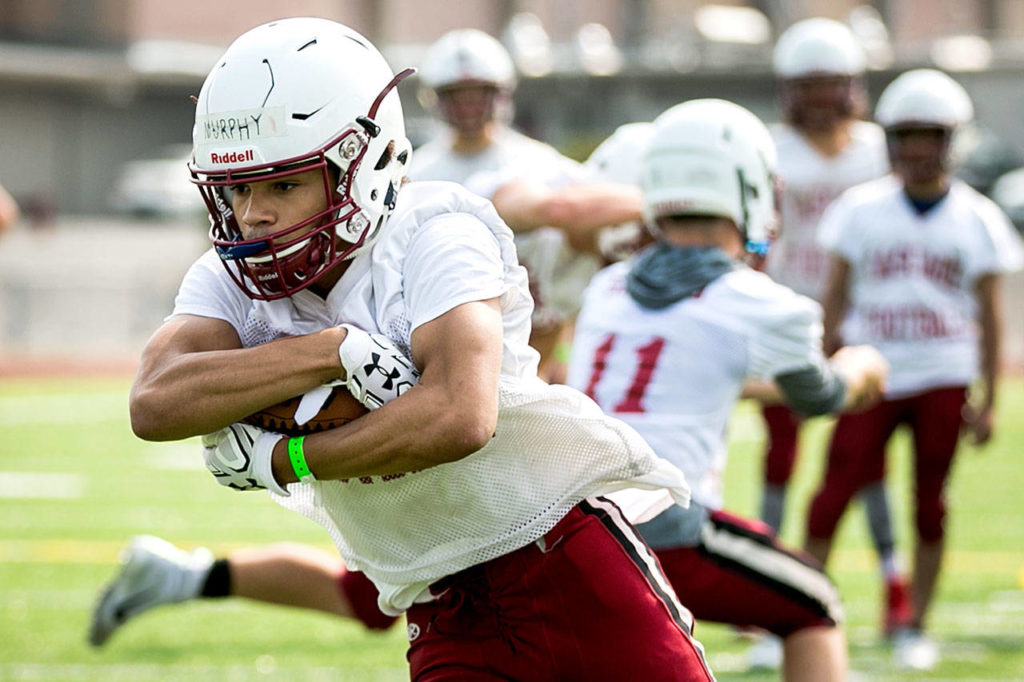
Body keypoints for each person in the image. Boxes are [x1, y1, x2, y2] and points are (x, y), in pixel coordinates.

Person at [114, 17, 713, 679]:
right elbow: (155, 402)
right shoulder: (232, 277)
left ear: (361, 167)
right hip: (439, 603)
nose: (253, 214)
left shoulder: (434, 233)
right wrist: (329, 351)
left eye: (283, 185)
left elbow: (459, 416)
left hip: (566, 565)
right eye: (238, 188)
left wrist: (285, 460)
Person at [565, 98, 890, 682]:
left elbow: (676, 371)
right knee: (814, 603)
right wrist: (862, 367)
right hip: (662, 523)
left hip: (569, 523)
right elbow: (818, 396)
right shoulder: (761, 302)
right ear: (749, 188)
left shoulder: (609, 288)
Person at [803, 68, 1024, 671]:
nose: (919, 149)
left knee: (931, 505)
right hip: (871, 372)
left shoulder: (976, 217)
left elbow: (991, 313)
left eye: (931, 134)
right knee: (831, 497)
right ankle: (794, 617)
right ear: (890, 141)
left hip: (944, 373)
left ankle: (914, 623)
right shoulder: (860, 209)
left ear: (954, 140)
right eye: (907, 135)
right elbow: (836, 297)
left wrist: (991, 397)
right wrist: (823, 368)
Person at [759, 16, 906, 637]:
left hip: (861, 320)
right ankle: (762, 576)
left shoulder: (879, 149)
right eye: (809, 86)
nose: (820, 99)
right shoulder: (769, 147)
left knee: (866, 461)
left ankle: (894, 581)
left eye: (830, 85)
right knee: (781, 456)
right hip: (786, 314)